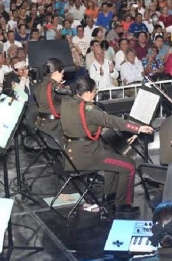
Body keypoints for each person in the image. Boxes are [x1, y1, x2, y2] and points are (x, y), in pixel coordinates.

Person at [60, 76, 153, 214]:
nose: (95, 94)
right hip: (87, 155)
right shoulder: (89, 111)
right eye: (94, 92)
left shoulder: (67, 103)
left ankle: (109, 195)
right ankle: (123, 205)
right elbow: (111, 120)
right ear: (87, 92)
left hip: (70, 153)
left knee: (112, 154)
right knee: (129, 166)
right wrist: (137, 128)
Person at [34, 58, 71, 145]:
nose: (63, 76)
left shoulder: (39, 84)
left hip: (42, 124)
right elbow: (67, 101)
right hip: (54, 126)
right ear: (55, 72)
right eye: (62, 73)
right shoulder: (54, 86)